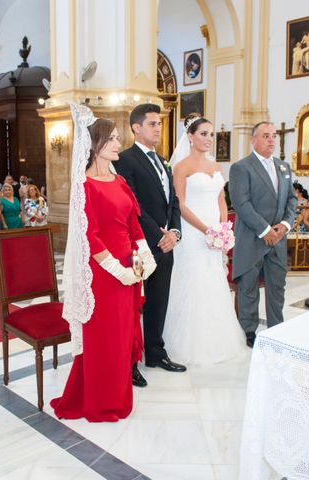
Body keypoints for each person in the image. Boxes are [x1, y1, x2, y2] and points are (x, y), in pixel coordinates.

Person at [51, 104, 156, 422]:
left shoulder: (119, 181)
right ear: (95, 145)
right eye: (111, 139)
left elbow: (133, 224)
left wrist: (144, 258)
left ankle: (119, 397)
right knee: (106, 339)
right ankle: (101, 403)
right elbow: (90, 236)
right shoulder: (85, 187)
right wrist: (117, 270)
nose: (117, 143)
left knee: (123, 336)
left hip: (129, 268)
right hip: (103, 274)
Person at [163, 115, 245, 365]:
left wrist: (223, 228)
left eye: (211, 134)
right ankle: (186, 344)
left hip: (215, 232)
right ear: (190, 136)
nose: (208, 139)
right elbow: (180, 204)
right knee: (193, 281)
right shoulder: (182, 167)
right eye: (203, 134)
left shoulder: (216, 167)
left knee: (214, 280)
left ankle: (217, 340)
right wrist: (207, 230)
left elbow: (221, 199)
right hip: (192, 232)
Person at [115, 103, 186, 388]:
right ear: (136, 127)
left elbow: (174, 201)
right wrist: (158, 234)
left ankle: (155, 353)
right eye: (153, 124)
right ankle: (130, 361)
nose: (158, 128)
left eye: (159, 124)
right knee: (134, 305)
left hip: (166, 244)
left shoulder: (162, 160)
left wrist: (175, 232)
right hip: (141, 245)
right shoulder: (125, 160)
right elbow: (134, 205)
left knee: (160, 301)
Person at [228, 121, 297, 348]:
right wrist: (265, 230)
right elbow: (241, 203)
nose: (271, 140)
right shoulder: (242, 167)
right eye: (266, 136)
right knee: (248, 288)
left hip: (278, 239)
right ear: (254, 140)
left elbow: (291, 200)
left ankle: (277, 328)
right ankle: (248, 330)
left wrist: (285, 225)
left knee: (277, 286)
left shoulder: (284, 167)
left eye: (273, 136)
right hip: (252, 237)